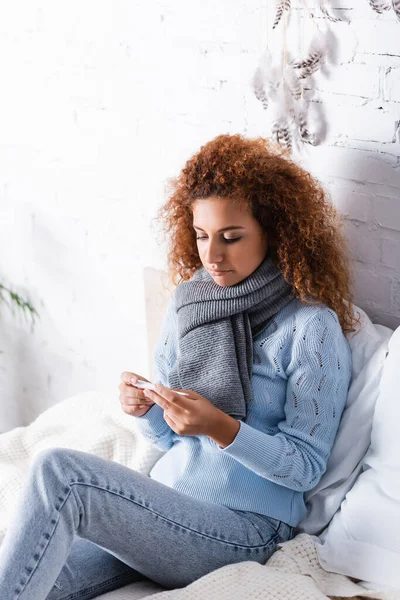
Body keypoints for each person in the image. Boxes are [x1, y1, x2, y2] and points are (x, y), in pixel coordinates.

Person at [0, 134, 359, 600]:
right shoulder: (191, 303)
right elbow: (167, 438)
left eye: (231, 238)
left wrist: (221, 428)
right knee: (33, 575)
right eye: (202, 235)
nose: (212, 255)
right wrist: (146, 409)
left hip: (244, 531)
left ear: (273, 231)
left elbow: (305, 467)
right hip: (164, 506)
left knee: (60, 473)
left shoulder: (311, 327)